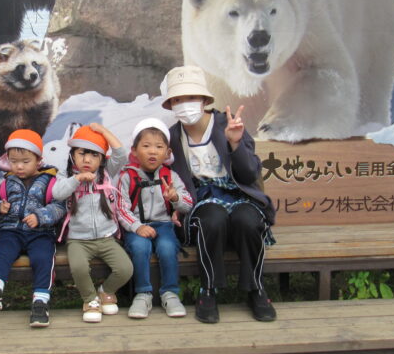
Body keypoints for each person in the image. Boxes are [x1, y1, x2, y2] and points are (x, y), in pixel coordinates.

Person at [161, 65, 277, 323]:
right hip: (202, 198)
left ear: (203, 100)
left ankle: (256, 288)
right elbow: (167, 179)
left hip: (239, 194)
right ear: (171, 105)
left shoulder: (228, 123)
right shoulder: (171, 137)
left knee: (248, 221)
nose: (184, 105)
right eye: (177, 99)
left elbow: (249, 174)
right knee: (211, 219)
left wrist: (235, 143)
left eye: (190, 97)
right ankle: (208, 289)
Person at [0, 129, 66, 328]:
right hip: (11, 231)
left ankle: (40, 302)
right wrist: (0, 207)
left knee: (43, 258)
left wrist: (41, 216)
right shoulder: (7, 181)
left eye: (25, 162)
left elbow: (60, 207)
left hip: (40, 233)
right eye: (14, 161)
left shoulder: (50, 181)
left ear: (39, 160)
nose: (19, 166)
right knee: (2, 254)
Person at [52, 123, 133, 323]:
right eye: (82, 154)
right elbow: (57, 193)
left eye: (94, 155)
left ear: (102, 159)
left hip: (107, 238)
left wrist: (104, 133)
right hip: (78, 240)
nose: (87, 159)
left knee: (125, 269)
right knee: (79, 268)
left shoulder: (106, 173)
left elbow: (121, 154)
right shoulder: (67, 175)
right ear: (73, 155)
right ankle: (90, 299)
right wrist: (77, 179)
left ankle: (105, 291)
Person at [118, 118, 194, 319]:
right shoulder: (127, 176)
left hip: (164, 225)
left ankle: (170, 293)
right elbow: (120, 207)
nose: (153, 152)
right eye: (146, 146)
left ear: (167, 153)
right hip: (136, 226)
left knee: (167, 248)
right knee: (140, 247)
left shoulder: (171, 176)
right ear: (134, 151)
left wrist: (175, 198)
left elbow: (187, 203)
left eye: (159, 147)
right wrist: (136, 227)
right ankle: (143, 294)